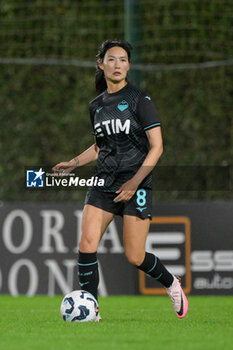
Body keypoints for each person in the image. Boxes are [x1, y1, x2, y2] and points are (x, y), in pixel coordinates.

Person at [53, 40, 188, 321]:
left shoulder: (140, 99)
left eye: (123, 60)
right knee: (87, 243)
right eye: (111, 60)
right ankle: (92, 312)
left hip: (136, 183)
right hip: (103, 181)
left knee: (135, 256)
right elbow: (100, 146)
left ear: (129, 65)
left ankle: (171, 283)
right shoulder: (96, 106)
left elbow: (157, 146)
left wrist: (135, 182)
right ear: (101, 64)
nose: (117, 65)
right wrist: (74, 163)